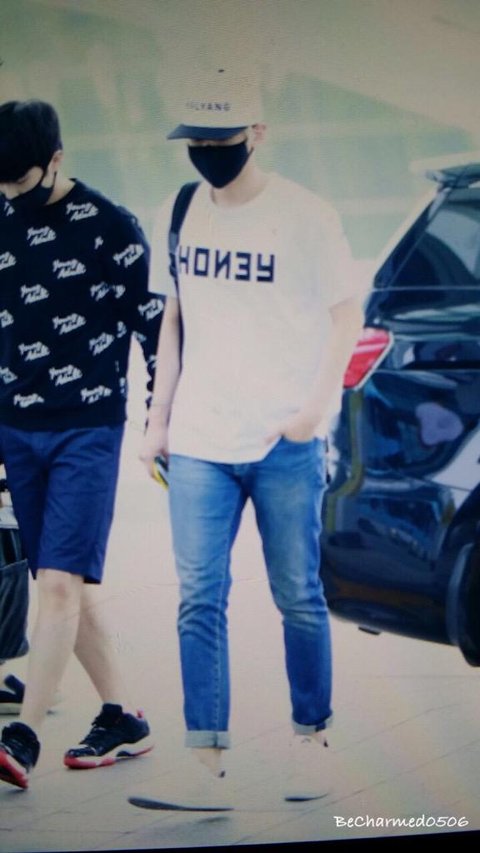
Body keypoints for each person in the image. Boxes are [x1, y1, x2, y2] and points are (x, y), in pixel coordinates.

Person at [131, 68, 364, 811]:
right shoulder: (179, 210)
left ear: (257, 133)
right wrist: (157, 421)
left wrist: (312, 411)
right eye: (196, 142)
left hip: (282, 441)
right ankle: (204, 761)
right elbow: (172, 321)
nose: (207, 153)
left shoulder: (305, 215)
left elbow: (346, 314)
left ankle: (311, 741)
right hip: (200, 439)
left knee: (298, 595)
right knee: (199, 596)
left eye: (221, 139)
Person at [0, 100, 163, 789]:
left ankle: (24, 735)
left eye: (22, 179)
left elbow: (157, 334)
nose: (12, 193)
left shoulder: (111, 227)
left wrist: (161, 426)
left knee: (60, 583)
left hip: (87, 427)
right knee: (58, 578)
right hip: (15, 428)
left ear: (57, 159)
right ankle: (122, 716)